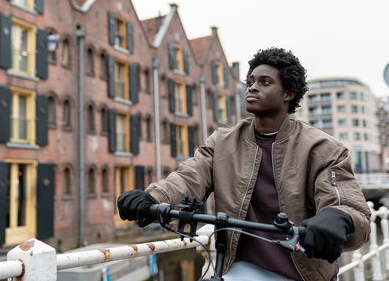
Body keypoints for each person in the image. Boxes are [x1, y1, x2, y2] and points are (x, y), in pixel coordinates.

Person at [118, 47, 370, 281]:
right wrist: (153, 197)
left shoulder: (323, 148)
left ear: (288, 93)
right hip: (238, 269)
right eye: (250, 82)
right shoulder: (222, 141)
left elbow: (348, 205)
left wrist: (338, 218)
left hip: (302, 273)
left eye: (265, 82)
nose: (252, 87)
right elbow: (188, 176)